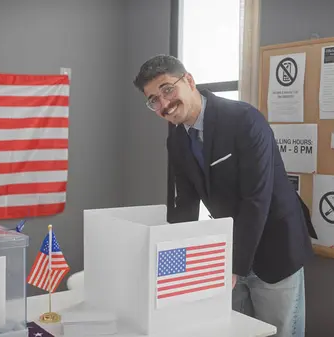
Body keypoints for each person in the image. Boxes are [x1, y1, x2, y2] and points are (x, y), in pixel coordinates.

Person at [133, 55, 316, 337]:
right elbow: (185, 204)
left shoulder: (243, 119)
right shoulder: (177, 138)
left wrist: (235, 266)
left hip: (275, 246)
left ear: (189, 81)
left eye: (167, 89)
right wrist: (175, 259)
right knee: (233, 331)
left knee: (279, 332)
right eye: (153, 100)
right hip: (229, 249)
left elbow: (256, 199)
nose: (164, 104)